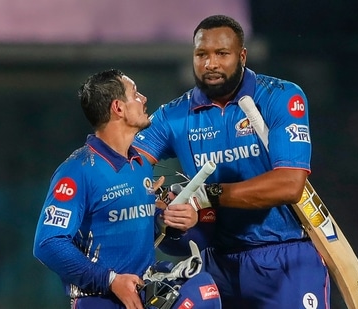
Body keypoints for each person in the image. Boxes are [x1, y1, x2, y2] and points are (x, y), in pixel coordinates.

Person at [133, 15, 330, 308]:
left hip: (286, 257)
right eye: (202, 55)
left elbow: (290, 185)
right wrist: (158, 204)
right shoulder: (173, 115)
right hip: (217, 265)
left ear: (242, 56)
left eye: (221, 54)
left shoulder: (281, 97)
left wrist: (206, 197)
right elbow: (127, 167)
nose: (210, 64)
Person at [33, 69, 217, 309]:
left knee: (205, 292)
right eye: (135, 94)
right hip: (100, 300)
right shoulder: (77, 171)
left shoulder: (139, 164)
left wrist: (164, 221)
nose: (143, 99)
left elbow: (128, 227)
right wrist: (111, 281)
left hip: (142, 293)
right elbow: (48, 244)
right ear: (118, 108)